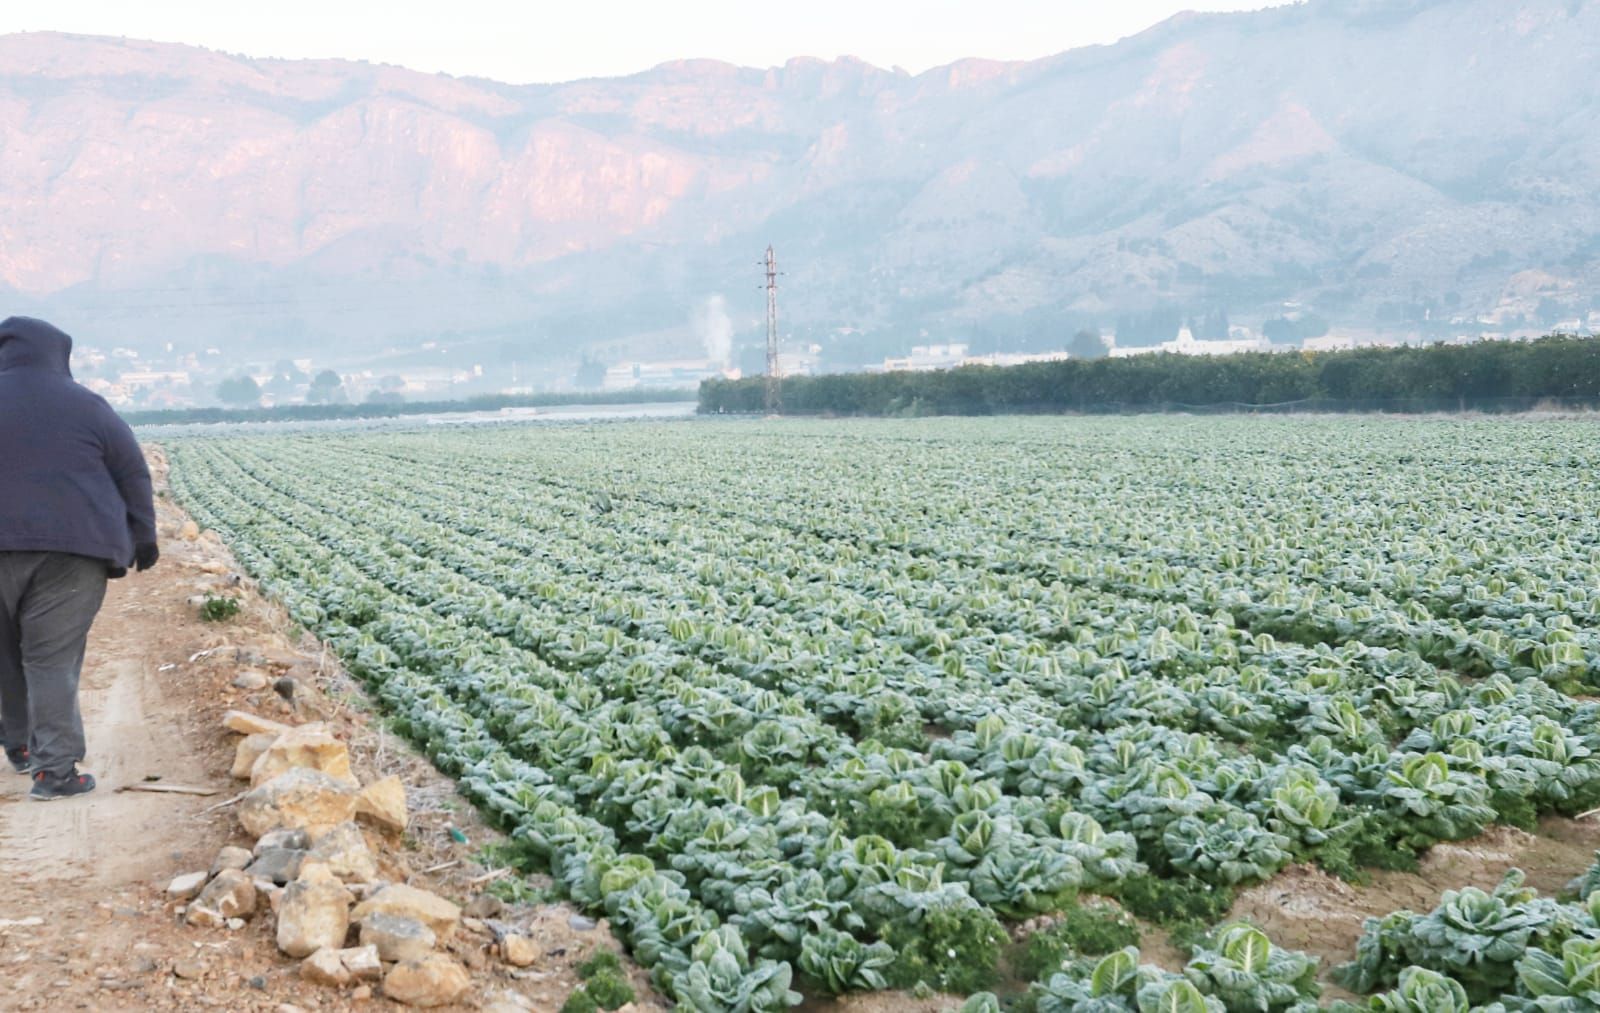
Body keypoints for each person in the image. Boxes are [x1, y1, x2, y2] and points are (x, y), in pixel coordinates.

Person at [0, 316, 159, 801]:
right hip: (74, 550)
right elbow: (132, 471)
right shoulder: (88, 406)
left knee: (6, 653)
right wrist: (144, 536)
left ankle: (22, 746)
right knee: (51, 658)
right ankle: (53, 771)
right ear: (58, 355)